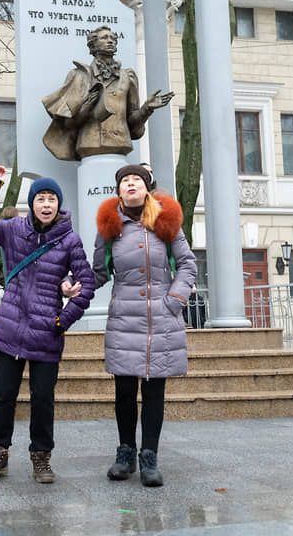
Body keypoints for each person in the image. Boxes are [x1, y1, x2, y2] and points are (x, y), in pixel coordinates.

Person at [0, 166, 95, 484]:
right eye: (41, 198)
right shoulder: (13, 229)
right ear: (32, 203)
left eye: (52, 198)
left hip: (46, 333)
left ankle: (41, 457)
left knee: (42, 399)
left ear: (58, 204)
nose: (46, 204)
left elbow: (87, 284)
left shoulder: (69, 240)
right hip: (11, 329)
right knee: (4, 396)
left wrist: (63, 319)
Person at [92, 164, 196, 487]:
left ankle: (149, 455)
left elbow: (188, 264)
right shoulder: (110, 228)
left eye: (136, 179)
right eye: (125, 181)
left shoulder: (166, 222)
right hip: (124, 319)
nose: (131, 184)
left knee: (153, 392)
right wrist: (69, 285)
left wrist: (174, 301)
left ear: (147, 187)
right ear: (119, 191)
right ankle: (125, 452)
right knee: (124, 391)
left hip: (160, 320)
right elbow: (97, 272)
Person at [42, 25, 173, 161]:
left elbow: (132, 124)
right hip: (88, 144)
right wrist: (86, 108)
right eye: (104, 38)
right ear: (93, 46)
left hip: (120, 143)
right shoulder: (79, 76)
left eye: (113, 38)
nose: (110, 41)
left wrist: (147, 109)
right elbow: (68, 123)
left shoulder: (128, 76)